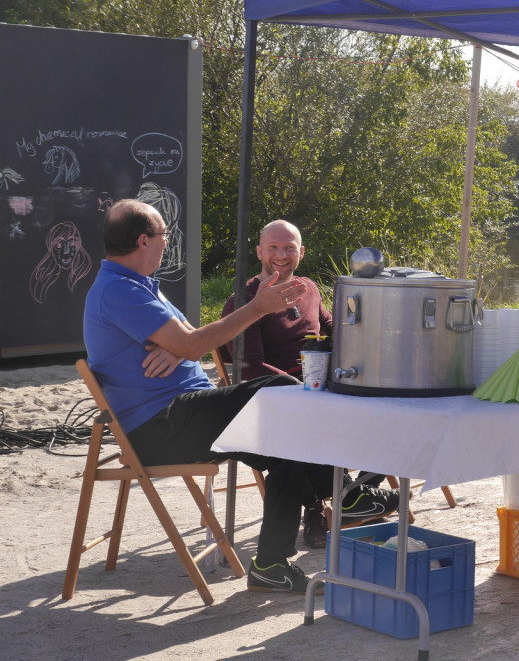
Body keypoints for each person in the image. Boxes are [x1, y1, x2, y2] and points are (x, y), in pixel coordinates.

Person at [82, 199, 393, 594]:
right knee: (281, 390)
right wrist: (255, 309)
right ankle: (345, 493)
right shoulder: (119, 290)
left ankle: (270, 564)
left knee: (289, 447)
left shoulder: (137, 286)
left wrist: (180, 345)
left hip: (184, 414)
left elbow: (190, 337)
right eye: (164, 235)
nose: (167, 242)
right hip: (159, 425)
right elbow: (195, 343)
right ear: (144, 241)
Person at [220, 220, 393, 548]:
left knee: (390, 403)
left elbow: (333, 327)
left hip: (321, 387)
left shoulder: (308, 288)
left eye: (289, 248)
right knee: (310, 418)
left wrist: (375, 339)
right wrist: (302, 391)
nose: (281, 254)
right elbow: (251, 368)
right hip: (274, 397)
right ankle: (323, 506)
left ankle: (353, 496)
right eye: (273, 247)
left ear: (301, 252)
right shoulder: (244, 301)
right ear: (259, 252)